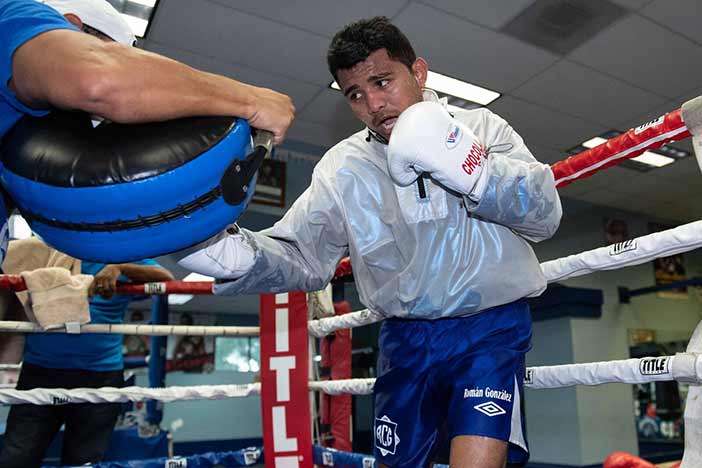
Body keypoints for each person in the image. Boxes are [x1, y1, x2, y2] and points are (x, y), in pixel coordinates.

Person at [178, 16, 562, 468]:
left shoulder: (481, 126)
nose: (374, 103)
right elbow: (305, 254)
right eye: (355, 94)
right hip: (405, 340)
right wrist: (238, 256)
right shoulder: (343, 166)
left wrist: (473, 167)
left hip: (489, 331)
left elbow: (545, 215)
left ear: (417, 72)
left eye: (383, 81)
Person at [0, 0, 295, 264]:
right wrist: (251, 100)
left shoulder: (18, 142)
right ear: (72, 25)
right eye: (108, 49)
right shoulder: (13, 14)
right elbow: (98, 79)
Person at [0, 239, 174, 468]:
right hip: (41, 373)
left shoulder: (119, 252)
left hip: (100, 375)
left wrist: (120, 268)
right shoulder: (47, 247)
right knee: (16, 459)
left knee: (84, 462)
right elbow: (12, 258)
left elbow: (166, 278)